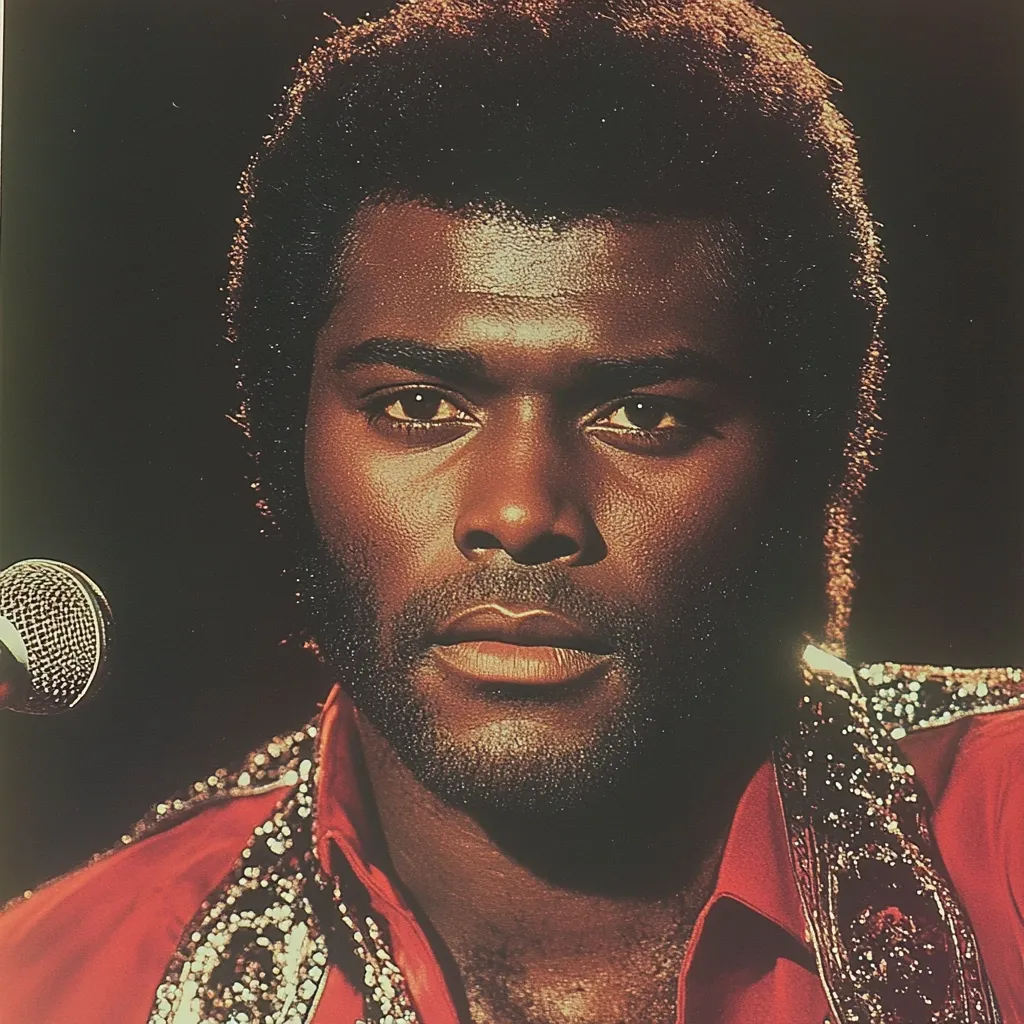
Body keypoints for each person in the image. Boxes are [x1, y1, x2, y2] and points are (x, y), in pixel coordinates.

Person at [1, 1, 1021, 1021]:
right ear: (285, 441)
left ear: (813, 452)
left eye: (642, 413)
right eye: (418, 406)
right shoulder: (60, 983)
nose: (521, 511)